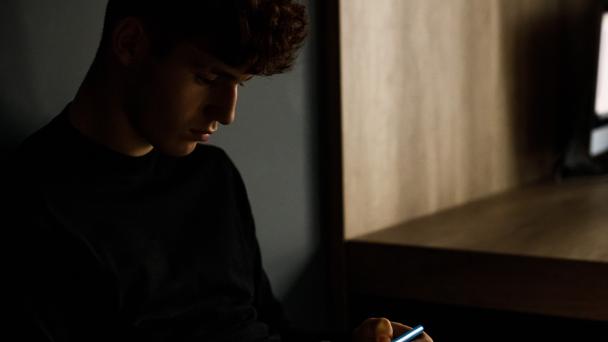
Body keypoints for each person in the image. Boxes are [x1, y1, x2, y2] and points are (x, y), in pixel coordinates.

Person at [4, 1, 433, 341]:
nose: (226, 113)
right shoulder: (35, 204)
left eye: (239, 84)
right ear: (130, 43)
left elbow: (266, 328)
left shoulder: (213, 176)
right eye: (208, 77)